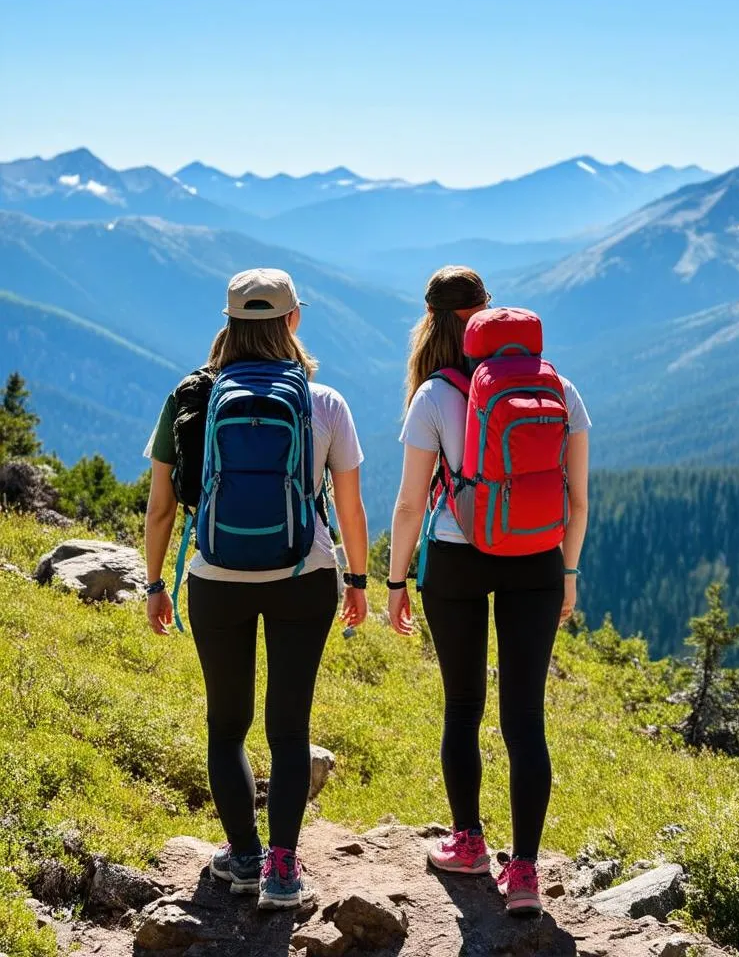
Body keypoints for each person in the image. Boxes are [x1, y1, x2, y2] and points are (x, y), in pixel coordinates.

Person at [143, 268, 369, 911]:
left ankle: (241, 856)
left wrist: (156, 581)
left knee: (227, 723)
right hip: (305, 573)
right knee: (288, 727)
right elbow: (349, 508)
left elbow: (161, 506)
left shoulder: (193, 397)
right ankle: (283, 869)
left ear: (229, 323)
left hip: (216, 576)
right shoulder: (324, 403)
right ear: (293, 321)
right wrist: (356, 576)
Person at [387, 266, 590, 916]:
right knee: (525, 718)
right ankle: (525, 872)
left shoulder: (434, 397)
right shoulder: (558, 387)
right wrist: (567, 572)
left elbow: (410, 503)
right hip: (535, 559)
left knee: (463, 705)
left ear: (433, 322)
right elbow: (577, 500)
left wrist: (395, 579)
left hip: (456, 561)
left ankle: (469, 842)